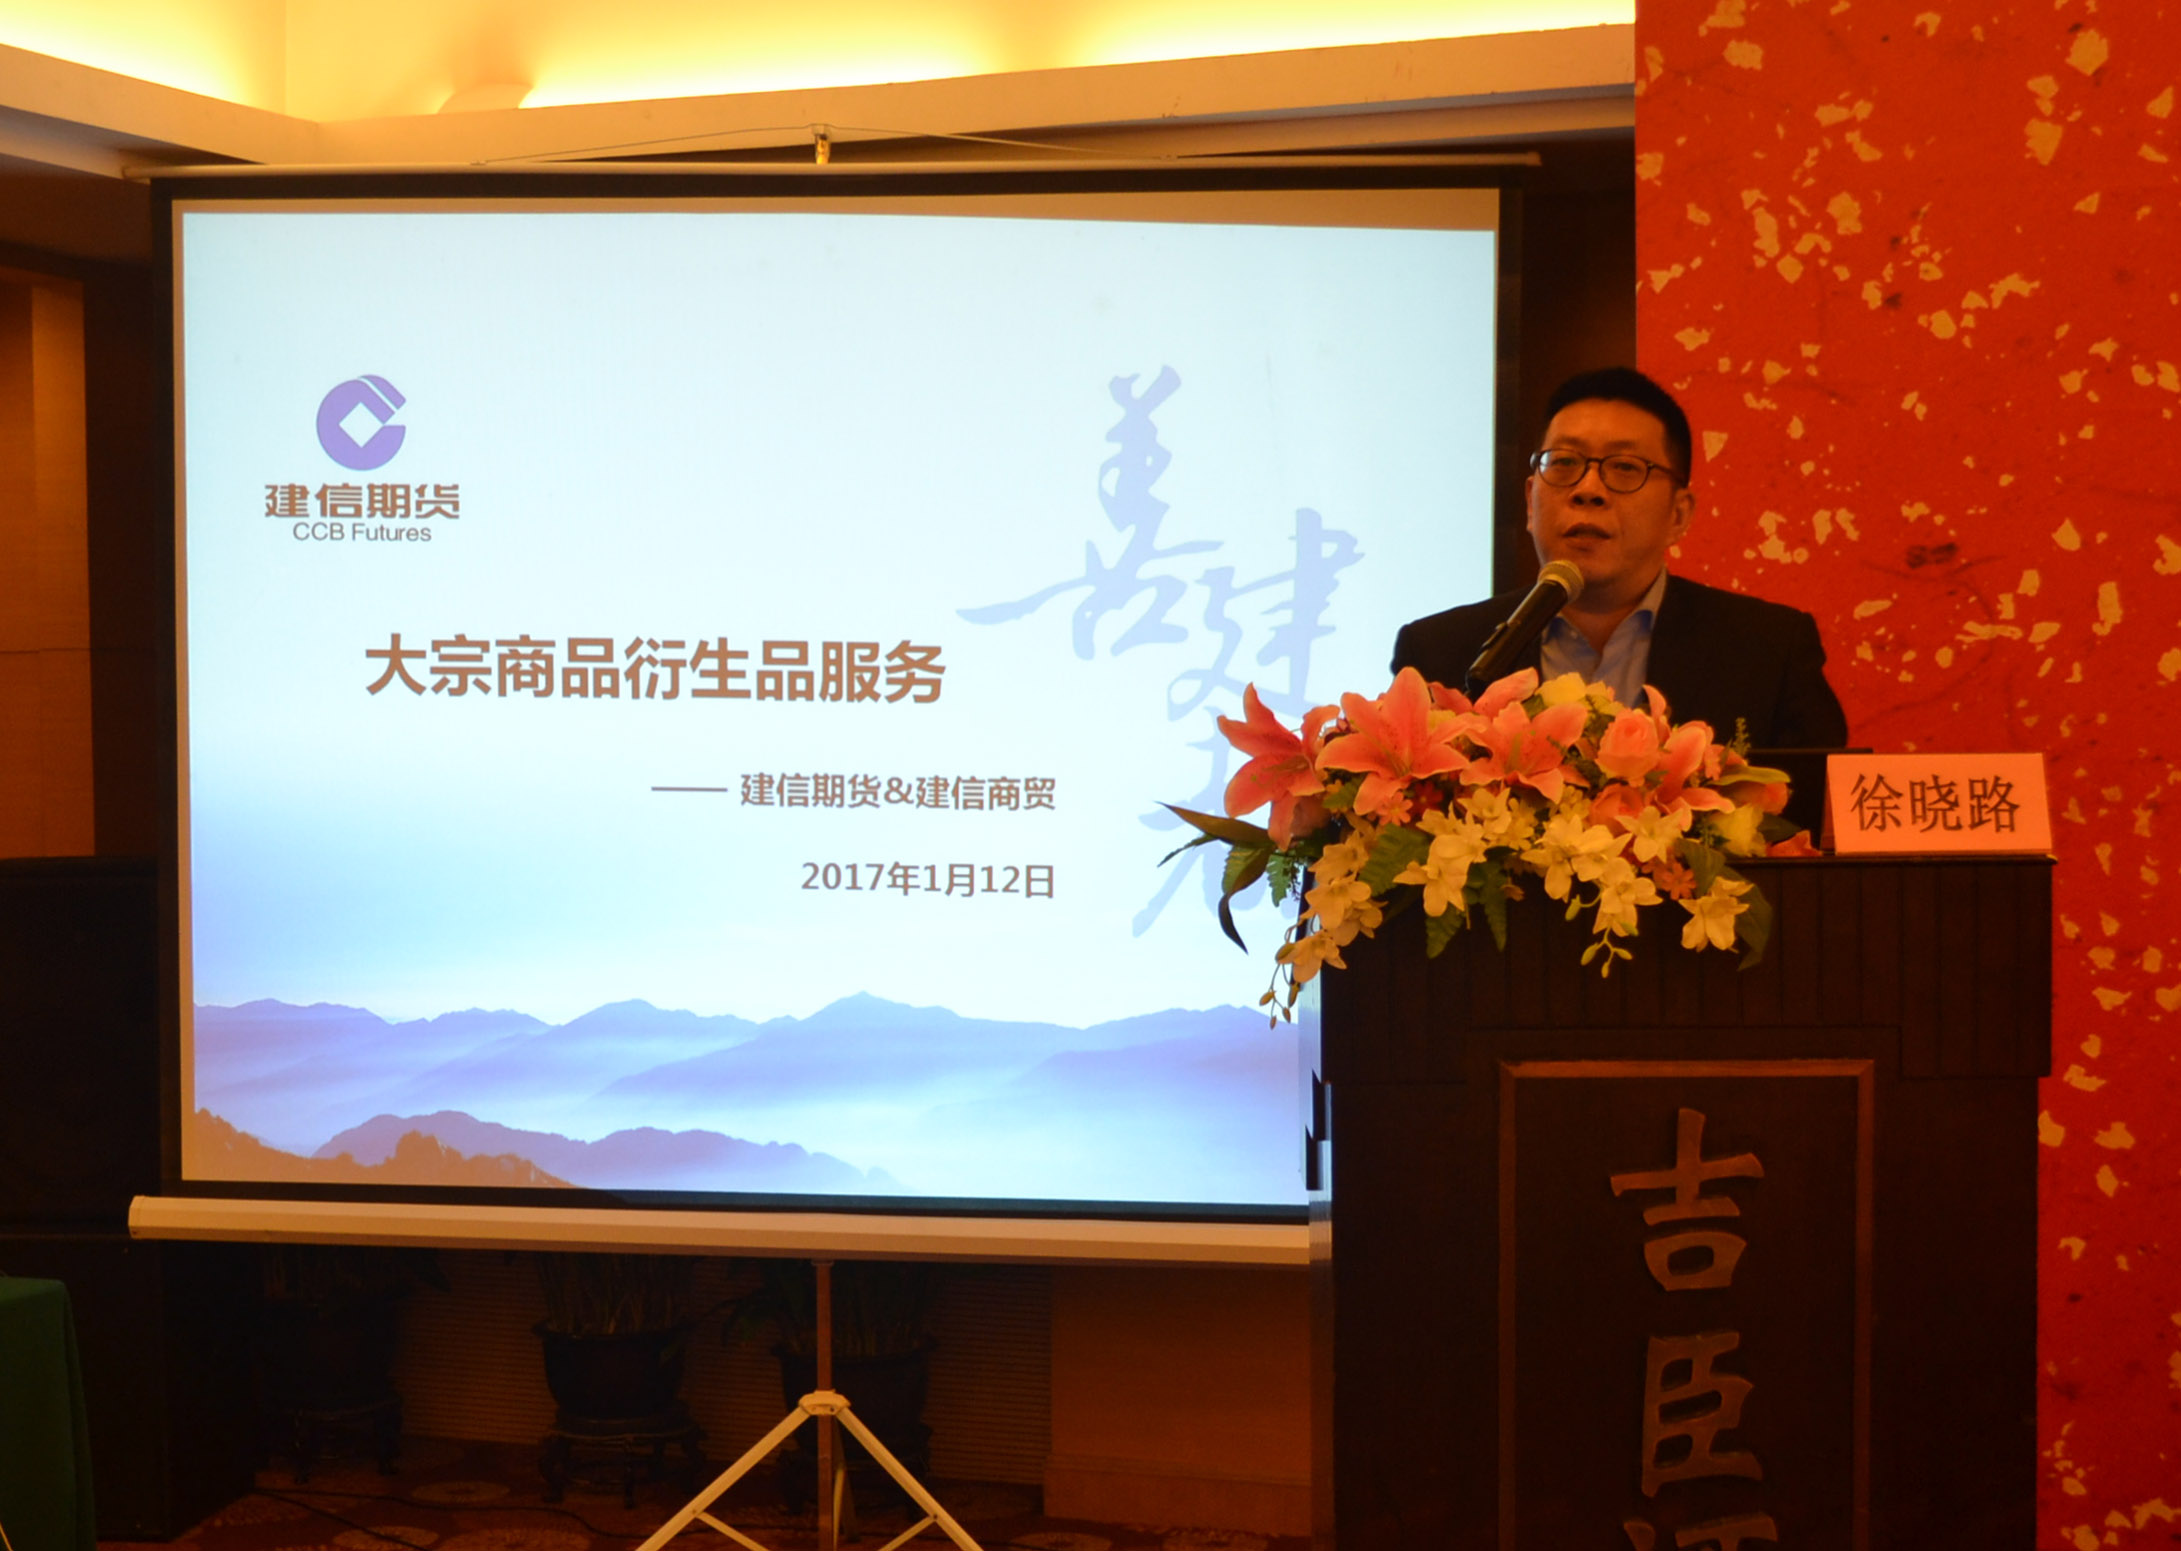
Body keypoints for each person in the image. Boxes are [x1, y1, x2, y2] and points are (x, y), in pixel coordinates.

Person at [1392, 366, 1848, 749]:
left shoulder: (1769, 652)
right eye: (1564, 463)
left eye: (1625, 468)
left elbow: (1816, 816)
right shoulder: (1440, 653)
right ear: (1531, 500)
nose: (1588, 489)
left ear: (1678, 514)